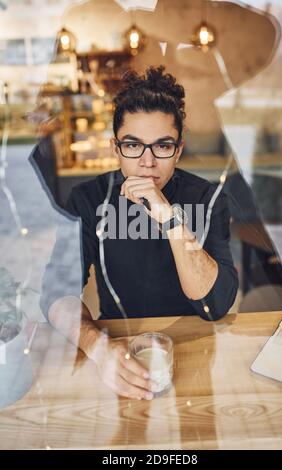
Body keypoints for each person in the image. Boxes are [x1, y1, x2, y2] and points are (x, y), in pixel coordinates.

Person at [40, 66, 238, 400]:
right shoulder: (89, 199)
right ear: (115, 147)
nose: (147, 162)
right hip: (116, 348)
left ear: (178, 149)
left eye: (162, 146)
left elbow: (216, 305)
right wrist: (98, 347)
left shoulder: (207, 198)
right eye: (133, 145)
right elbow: (55, 293)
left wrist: (168, 217)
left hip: (196, 345)